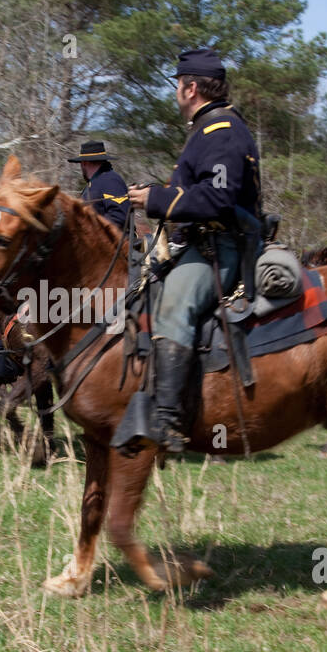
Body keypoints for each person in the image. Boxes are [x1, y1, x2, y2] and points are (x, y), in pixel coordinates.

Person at [123, 48, 262, 454]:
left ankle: (168, 421)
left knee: (175, 306)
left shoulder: (222, 131)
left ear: (192, 87)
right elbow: (193, 192)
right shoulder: (208, 129)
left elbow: (216, 201)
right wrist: (157, 196)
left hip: (224, 246)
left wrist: (154, 199)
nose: (176, 94)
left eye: (178, 86)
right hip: (204, 241)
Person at [67, 141, 130, 228]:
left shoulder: (110, 180)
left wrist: (89, 229)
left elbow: (119, 216)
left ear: (84, 163)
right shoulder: (95, 182)